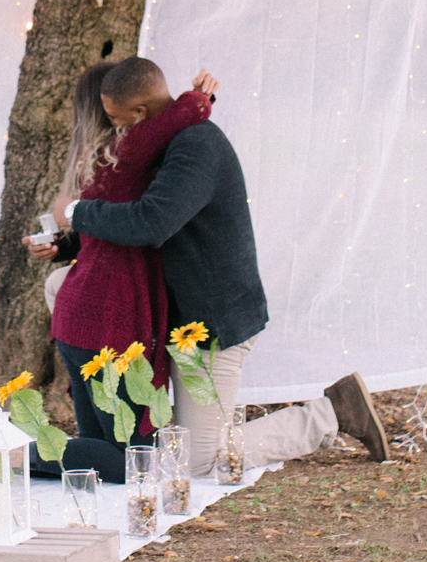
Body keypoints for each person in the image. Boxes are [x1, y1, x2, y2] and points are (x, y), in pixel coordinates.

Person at [53, 56, 389, 475]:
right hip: (172, 318)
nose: (119, 132)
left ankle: (333, 414)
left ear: (140, 112)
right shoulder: (163, 141)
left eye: (120, 122)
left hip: (211, 324)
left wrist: (78, 213)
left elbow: (151, 222)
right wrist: (67, 246)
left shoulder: (197, 147)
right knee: (60, 284)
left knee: (197, 461)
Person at [25, 64, 218, 483]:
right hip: (108, 329)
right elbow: (179, 115)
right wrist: (198, 99)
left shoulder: (98, 163)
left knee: (97, 452)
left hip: (76, 323)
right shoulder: (130, 154)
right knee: (137, 460)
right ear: (137, 113)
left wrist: (60, 243)